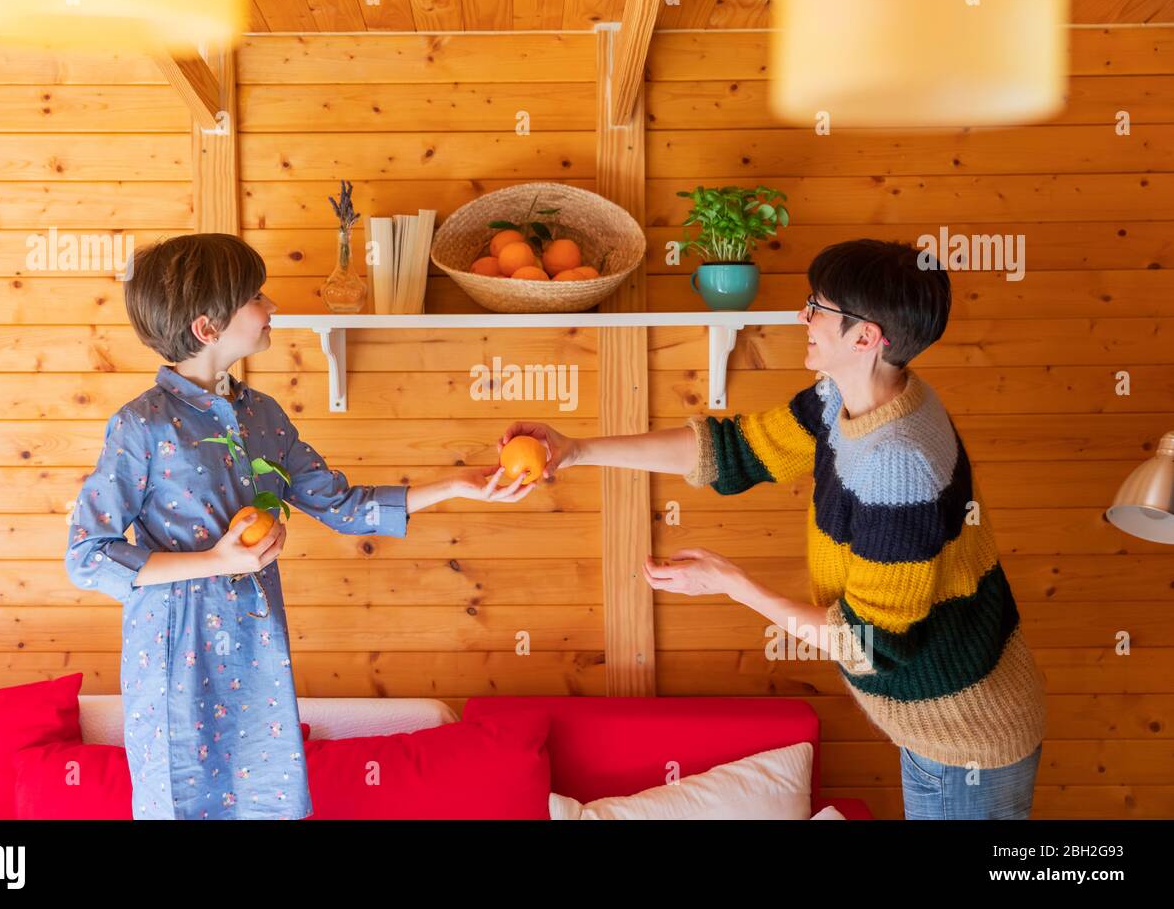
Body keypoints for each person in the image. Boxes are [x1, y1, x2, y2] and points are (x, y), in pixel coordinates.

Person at [502, 239, 1047, 819]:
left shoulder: (897, 463)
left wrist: (733, 584)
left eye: (818, 307)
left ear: (866, 338)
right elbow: (736, 449)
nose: (801, 317)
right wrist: (578, 449)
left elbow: (869, 644)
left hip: (966, 734)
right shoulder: (850, 396)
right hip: (939, 720)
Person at [66, 233, 532, 819]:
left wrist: (457, 485)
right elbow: (89, 554)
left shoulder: (262, 415)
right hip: (173, 654)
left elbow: (341, 505)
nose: (273, 307)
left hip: (257, 646)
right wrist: (219, 561)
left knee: (268, 801)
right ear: (209, 329)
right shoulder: (140, 426)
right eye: (257, 296)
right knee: (182, 801)